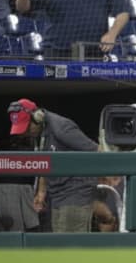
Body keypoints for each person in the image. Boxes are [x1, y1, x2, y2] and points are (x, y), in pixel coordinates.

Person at [7, 98, 100, 232]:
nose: (25, 133)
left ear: (38, 117)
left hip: (76, 193)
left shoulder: (61, 128)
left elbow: (96, 151)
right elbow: (45, 163)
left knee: (71, 246)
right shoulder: (39, 132)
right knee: (60, 244)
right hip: (57, 195)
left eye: (27, 127)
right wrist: (41, 192)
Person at [15, 0, 129, 59]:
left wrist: (112, 34)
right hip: (58, 53)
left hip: (94, 52)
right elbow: (23, 8)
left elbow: (123, 13)